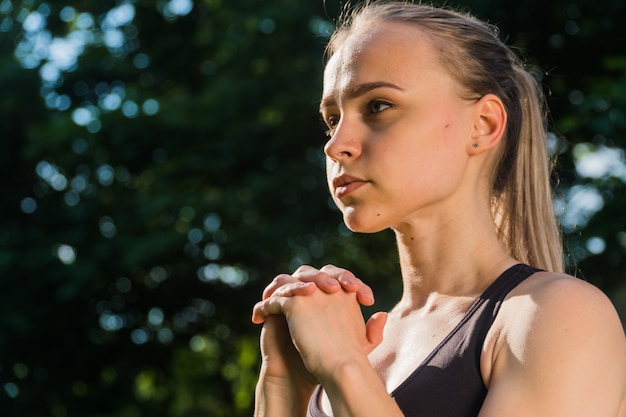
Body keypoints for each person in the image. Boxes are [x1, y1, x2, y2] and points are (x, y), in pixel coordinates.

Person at [251, 1, 626, 416]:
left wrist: (344, 368)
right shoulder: (346, 345)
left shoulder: (560, 317)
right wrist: (284, 383)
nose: (335, 144)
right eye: (332, 118)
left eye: (378, 106)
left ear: (482, 125)